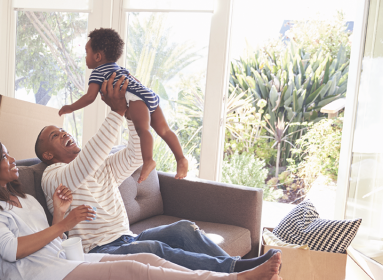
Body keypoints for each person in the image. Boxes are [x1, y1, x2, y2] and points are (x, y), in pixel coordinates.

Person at [40, 72, 281, 274]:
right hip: (99, 250)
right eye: (55, 136)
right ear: (48, 155)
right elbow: (84, 165)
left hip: (127, 238)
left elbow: (135, 156)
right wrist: (115, 112)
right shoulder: (53, 176)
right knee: (155, 248)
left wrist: (132, 111)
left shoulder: (102, 166)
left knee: (184, 228)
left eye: (63, 130)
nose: (64, 134)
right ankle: (237, 272)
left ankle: (238, 267)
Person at [0, 137, 283, 280]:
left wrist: (59, 214)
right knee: (134, 269)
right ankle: (233, 278)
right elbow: (13, 251)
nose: (11, 160)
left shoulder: (24, 199)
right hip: (38, 275)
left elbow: (53, 242)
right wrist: (63, 222)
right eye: (3, 156)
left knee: (150, 257)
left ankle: (226, 270)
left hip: (64, 260)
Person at [58, 27, 188, 182]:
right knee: (165, 130)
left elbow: (90, 97)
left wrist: (70, 107)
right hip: (148, 93)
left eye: (87, 53)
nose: (85, 57)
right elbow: (135, 82)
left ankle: (148, 160)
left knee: (143, 129)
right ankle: (180, 159)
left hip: (135, 98)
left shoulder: (98, 72)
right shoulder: (120, 69)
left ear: (98, 56)